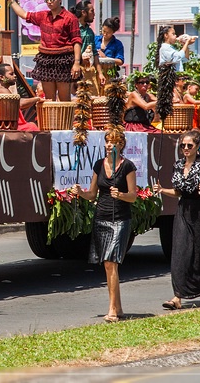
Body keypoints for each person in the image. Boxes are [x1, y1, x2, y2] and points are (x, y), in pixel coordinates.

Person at [70, 130, 136, 322]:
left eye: (113, 142)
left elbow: (133, 195)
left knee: (110, 262)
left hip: (120, 218)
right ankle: (119, 307)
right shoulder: (99, 164)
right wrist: (80, 192)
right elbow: (92, 194)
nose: (109, 145)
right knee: (108, 264)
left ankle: (112, 310)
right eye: (107, 142)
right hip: (101, 217)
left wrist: (121, 195)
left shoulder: (128, 167)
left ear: (121, 145)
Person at [153, 129, 200, 309]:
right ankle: (177, 297)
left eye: (189, 145)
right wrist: (162, 190)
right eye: (182, 145)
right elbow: (178, 192)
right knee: (180, 253)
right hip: (184, 211)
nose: (185, 148)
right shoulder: (178, 164)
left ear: (197, 146)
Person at [3, 0, 81, 101]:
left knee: (64, 99)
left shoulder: (70, 18)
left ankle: (64, 119)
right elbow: (24, 15)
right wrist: (11, 0)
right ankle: (50, 119)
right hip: (46, 59)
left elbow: (77, 41)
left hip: (63, 59)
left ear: (60, 0)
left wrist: (77, 63)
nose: (49, 2)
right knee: (49, 99)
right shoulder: (43, 16)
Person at [0, 63, 41, 131]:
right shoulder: (0, 91)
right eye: (11, 74)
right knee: (32, 127)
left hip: (3, 125)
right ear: (1, 77)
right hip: (3, 126)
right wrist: (37, 99)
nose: (15, 76)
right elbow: (19, 104)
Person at [71, 0, 105, 94]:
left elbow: (95, 53)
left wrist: (100, 73)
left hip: (89, 72)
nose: (94, 14)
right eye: (92, 11)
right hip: (75, 72)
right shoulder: (72, 28)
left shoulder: (90, 31)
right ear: (83, 12)